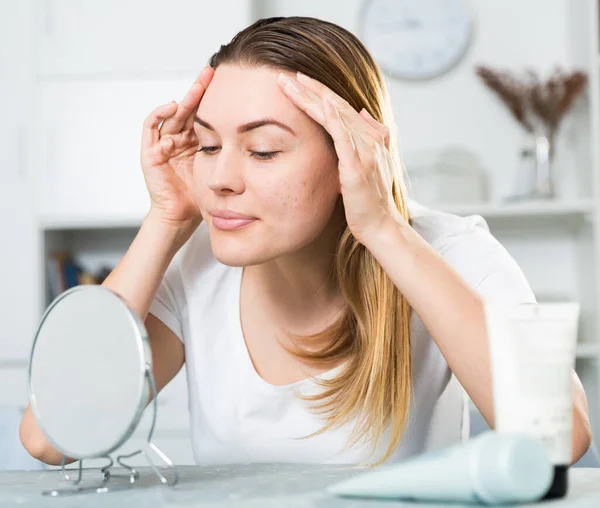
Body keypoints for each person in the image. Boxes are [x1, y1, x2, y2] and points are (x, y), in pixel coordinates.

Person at [20, 16, 592, 467]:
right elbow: (50, 437)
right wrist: (165, 220)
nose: (221, 178)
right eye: (209, 146)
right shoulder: (197, 269)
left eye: (263, 150)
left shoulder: (454, 252)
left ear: (351, 154)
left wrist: (383, 230)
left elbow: (559, 436)